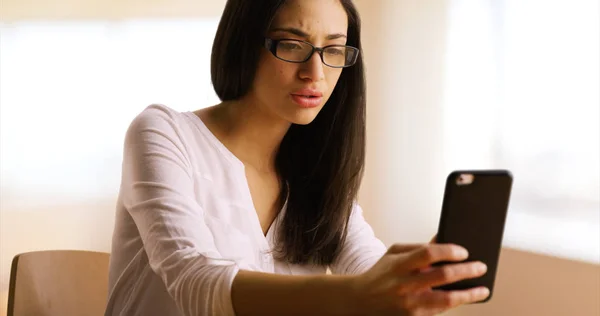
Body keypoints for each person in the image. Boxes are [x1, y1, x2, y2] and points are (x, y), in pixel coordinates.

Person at [105, 0, 490, 315]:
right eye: (292, 44)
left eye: (334, 49)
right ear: (244, 43)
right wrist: (356, 293)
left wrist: (414, 277)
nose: (315, 73)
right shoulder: (164, 134)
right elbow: (194, 281)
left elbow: (367, 270)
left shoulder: (314, 173)